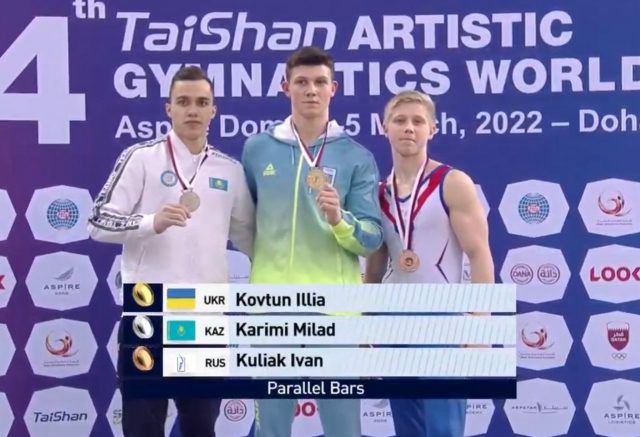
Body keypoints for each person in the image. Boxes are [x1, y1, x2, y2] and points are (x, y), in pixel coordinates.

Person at [88, 66, 255, 437]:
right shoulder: (141, 158)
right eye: (183, 102)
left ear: (214, 110)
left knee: (201, 428)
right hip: (149, 314)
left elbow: (252, 239)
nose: (193, 110)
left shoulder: (230, 170)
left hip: (204, 319)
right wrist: (151, 222)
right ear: (169, 109)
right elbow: (98, 221)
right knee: (142, 428)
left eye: (202, 103)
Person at [241, 46, 383, 437]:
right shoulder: (257, 149)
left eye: (320, 82)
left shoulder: (356, 156)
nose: (311, 90)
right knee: (271, 429)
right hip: (272, 312)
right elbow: (244, 224)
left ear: (333, 88)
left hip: (334, 312)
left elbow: (371, 238)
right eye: (301, 82)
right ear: (285, 87)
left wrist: (340, 219)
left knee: (344, 430)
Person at [365, 90, 494, 437]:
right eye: (400, 120)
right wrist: (363, 325)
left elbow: (479, 254)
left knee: (443, 429)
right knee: (407, 428)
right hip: (392, 322)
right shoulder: (378, 193)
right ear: (384, 127)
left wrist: (480, 322)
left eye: (418, 121)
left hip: (442, 322)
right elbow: (374, 268)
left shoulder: (453, 183)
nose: (409, 128)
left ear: (432, 129)